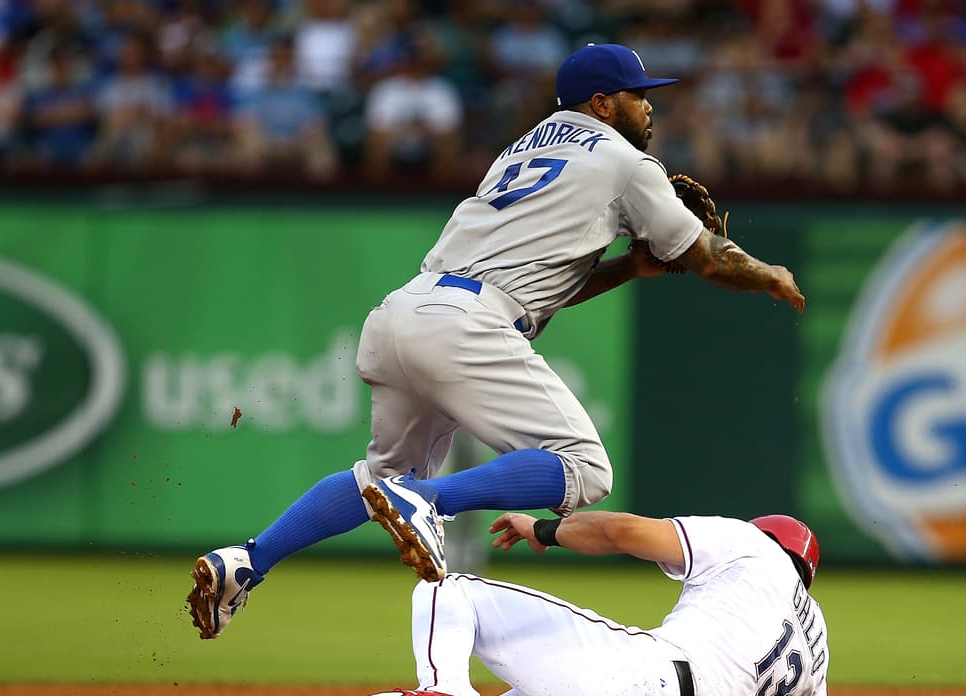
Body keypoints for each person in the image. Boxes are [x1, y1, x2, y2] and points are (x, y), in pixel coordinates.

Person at [186, 43, 806, 640]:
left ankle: (248, 560)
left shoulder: (518, 149)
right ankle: (426, 501)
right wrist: (769, 273)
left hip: (406, 309)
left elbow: (537, 286)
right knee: (584, 468)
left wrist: (628, 269)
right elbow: (707, 256)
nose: (649, 106)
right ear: (601, 103)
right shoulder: (627, 162)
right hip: (466, 322)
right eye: (637, 95)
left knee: (379, 480)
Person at [341, 509, 839, 696]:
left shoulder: (752, 546)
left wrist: (544, 529)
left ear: (767, 537)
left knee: (450, 589)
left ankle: (446, 688)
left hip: (647, 680)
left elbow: (622, 531)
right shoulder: (815, 646)